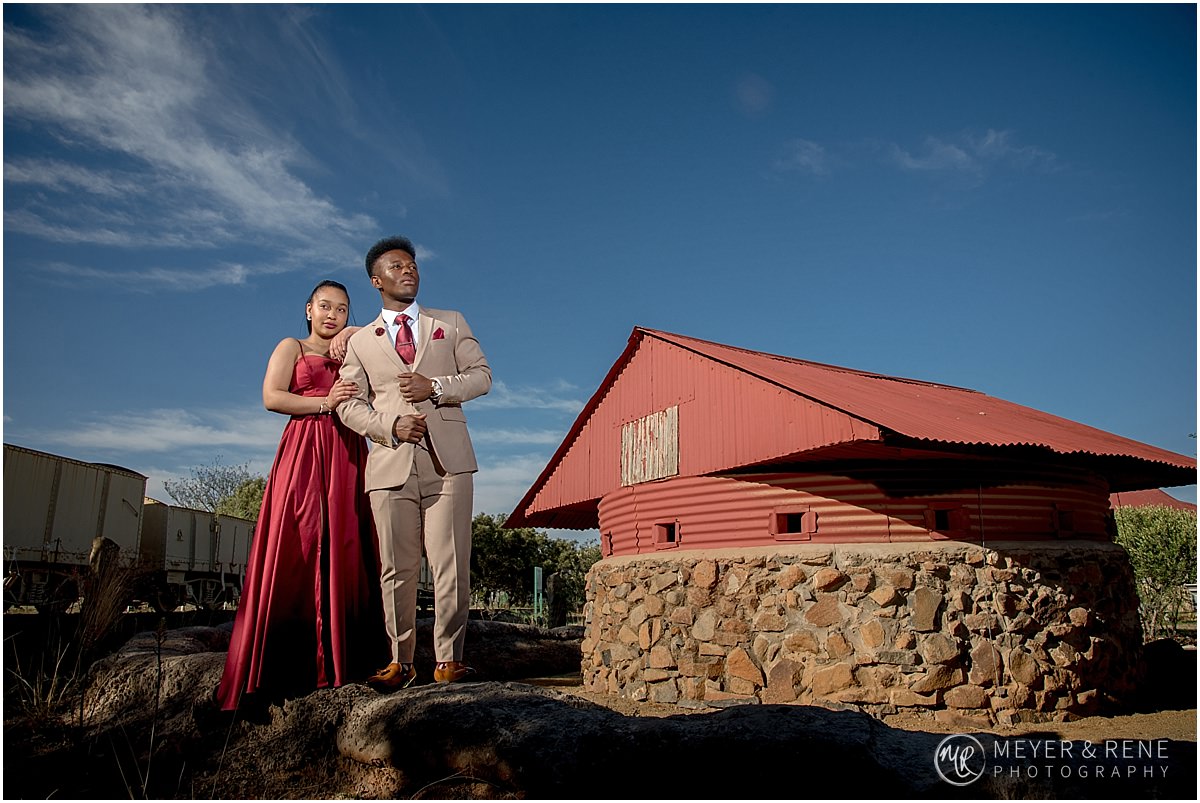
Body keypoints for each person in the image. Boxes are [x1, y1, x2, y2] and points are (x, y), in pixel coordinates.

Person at [217, 280, 384, 711]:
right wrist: (326, 403)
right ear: (308, 309)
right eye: (325, 306)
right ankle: (286, 664)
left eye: (342, 310)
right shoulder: (291, 346)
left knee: (349, 545)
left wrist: (356, 333)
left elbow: (390, 340)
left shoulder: (355, 346)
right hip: (306, 448)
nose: (333, 315)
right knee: (301, 542)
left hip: (349, 450)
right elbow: (271, 397)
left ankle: (352, 661)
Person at [336, 235, 491, 688]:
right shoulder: (361, 342)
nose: (410, 271)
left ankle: (449, 659)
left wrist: (437, 388)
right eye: (398, 266)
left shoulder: (451, 322)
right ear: (377, 280)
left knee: (451, 563)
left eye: (414, 265)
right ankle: (400, 662)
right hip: (389, 467)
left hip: (450, 463)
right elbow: (350, 405)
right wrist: (389, 426)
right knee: (397, 569)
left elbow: (482, 376)